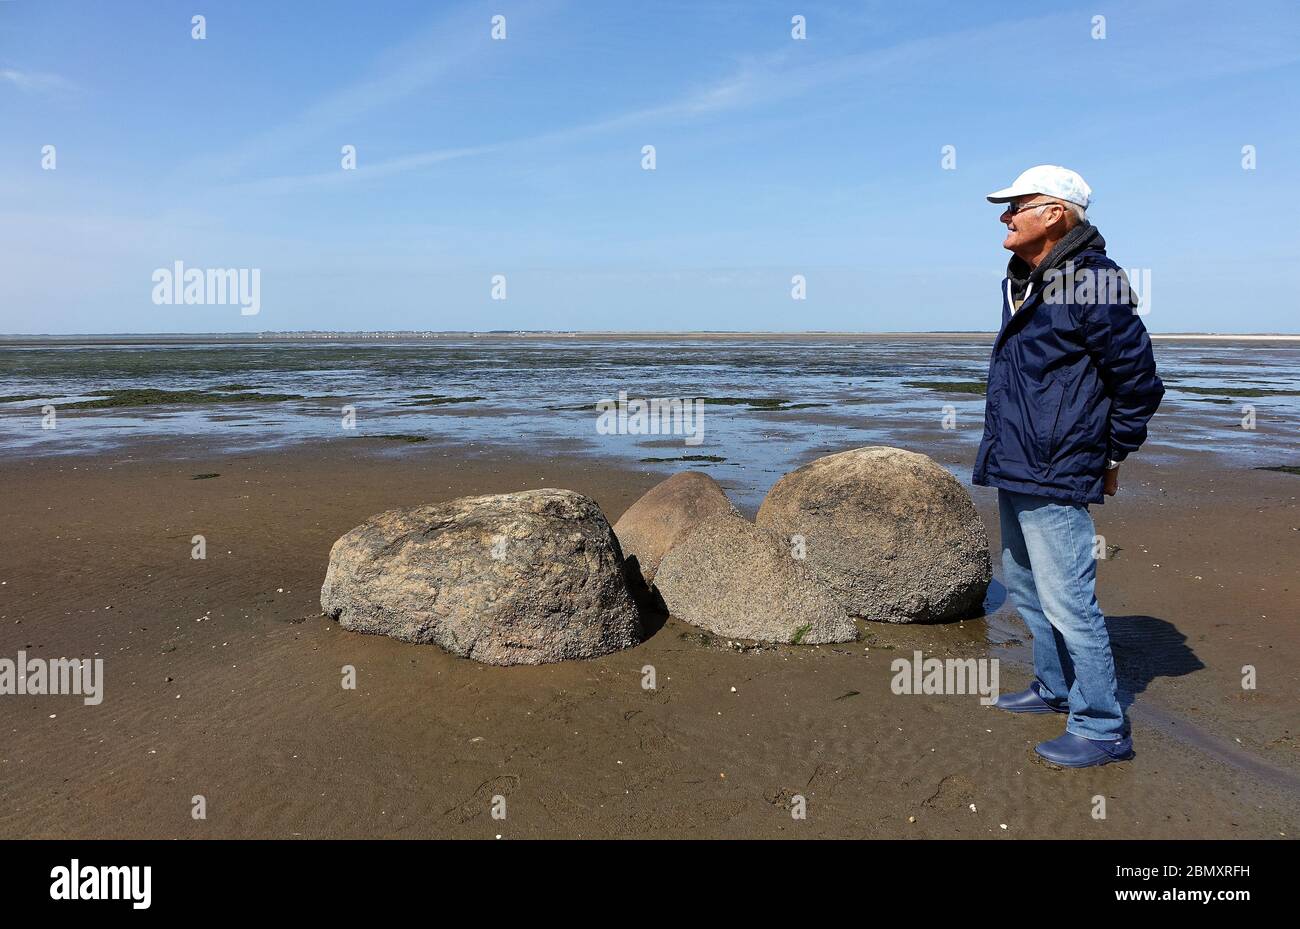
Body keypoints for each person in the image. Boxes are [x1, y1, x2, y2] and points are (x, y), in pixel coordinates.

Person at [973, 165, 1164, 768]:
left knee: (1069, 601)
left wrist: (1110, 453)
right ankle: (1055, 688)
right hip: (1015, 461)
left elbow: (1139, 381)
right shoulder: (1025, 282)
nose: (1004, 217)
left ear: (1055, 213)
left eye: (1016, 206)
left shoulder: (1094, 282)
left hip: (1058, 466)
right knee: (1027, 589)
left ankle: (1103, 726)